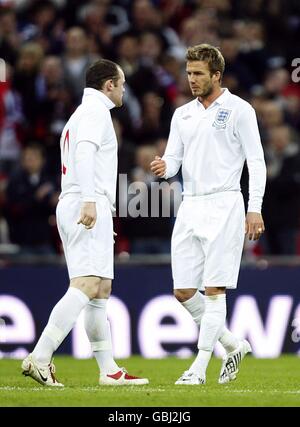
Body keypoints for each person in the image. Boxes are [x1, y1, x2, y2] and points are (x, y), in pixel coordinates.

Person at [22, 59, 149, 387]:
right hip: (85, 202)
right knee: (87, 284)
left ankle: (108, 370)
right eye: (121, 83)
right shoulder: (95, 112)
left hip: (82, 201)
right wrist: (91, 200)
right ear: (108, 85)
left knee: (100, 289)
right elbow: (84, 154)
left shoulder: (81, 114)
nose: (123, 90)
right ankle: (41, 354)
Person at [151, 44, 266, 385]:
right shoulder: (182, 114)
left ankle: (199, 368)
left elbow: (256, 162)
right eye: (188, 73)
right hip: (190, 205)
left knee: (214, 289)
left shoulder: (239, 110)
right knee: (184, 290)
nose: (192, 80)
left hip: (225, 203)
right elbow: (174, 160)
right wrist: (163, 166)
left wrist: (254, 207)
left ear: (217, 75)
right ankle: (233, 345)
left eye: (199, 73)